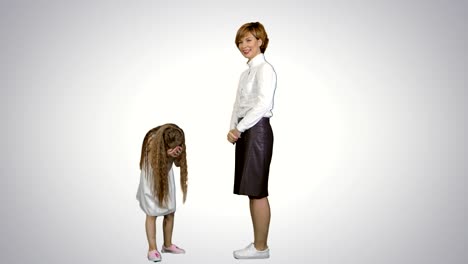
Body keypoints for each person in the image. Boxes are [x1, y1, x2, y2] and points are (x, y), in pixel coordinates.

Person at [227, 21, 277, 259]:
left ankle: (261, 248)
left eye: (248, 40)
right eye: (240, 41)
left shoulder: (265, 69)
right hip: (246, 131)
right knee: (251, 190)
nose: (243, 45)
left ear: (260, 41)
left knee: (258, 191)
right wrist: (232, 128)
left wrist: (240, 128)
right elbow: (237, 105)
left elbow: (262, 105)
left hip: (257, 132)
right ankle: (258, 244)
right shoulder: (246, 72)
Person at [136, 123, 188, 262]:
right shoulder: (152, 141)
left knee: (170, 212)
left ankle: (167, 245)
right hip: (151, 181)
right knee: (152, 214)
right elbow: (154, 164)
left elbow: (177, 164)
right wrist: (166, 154)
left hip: (166, 179)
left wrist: (176, 155)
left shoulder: (176, 139)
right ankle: (152, 248)